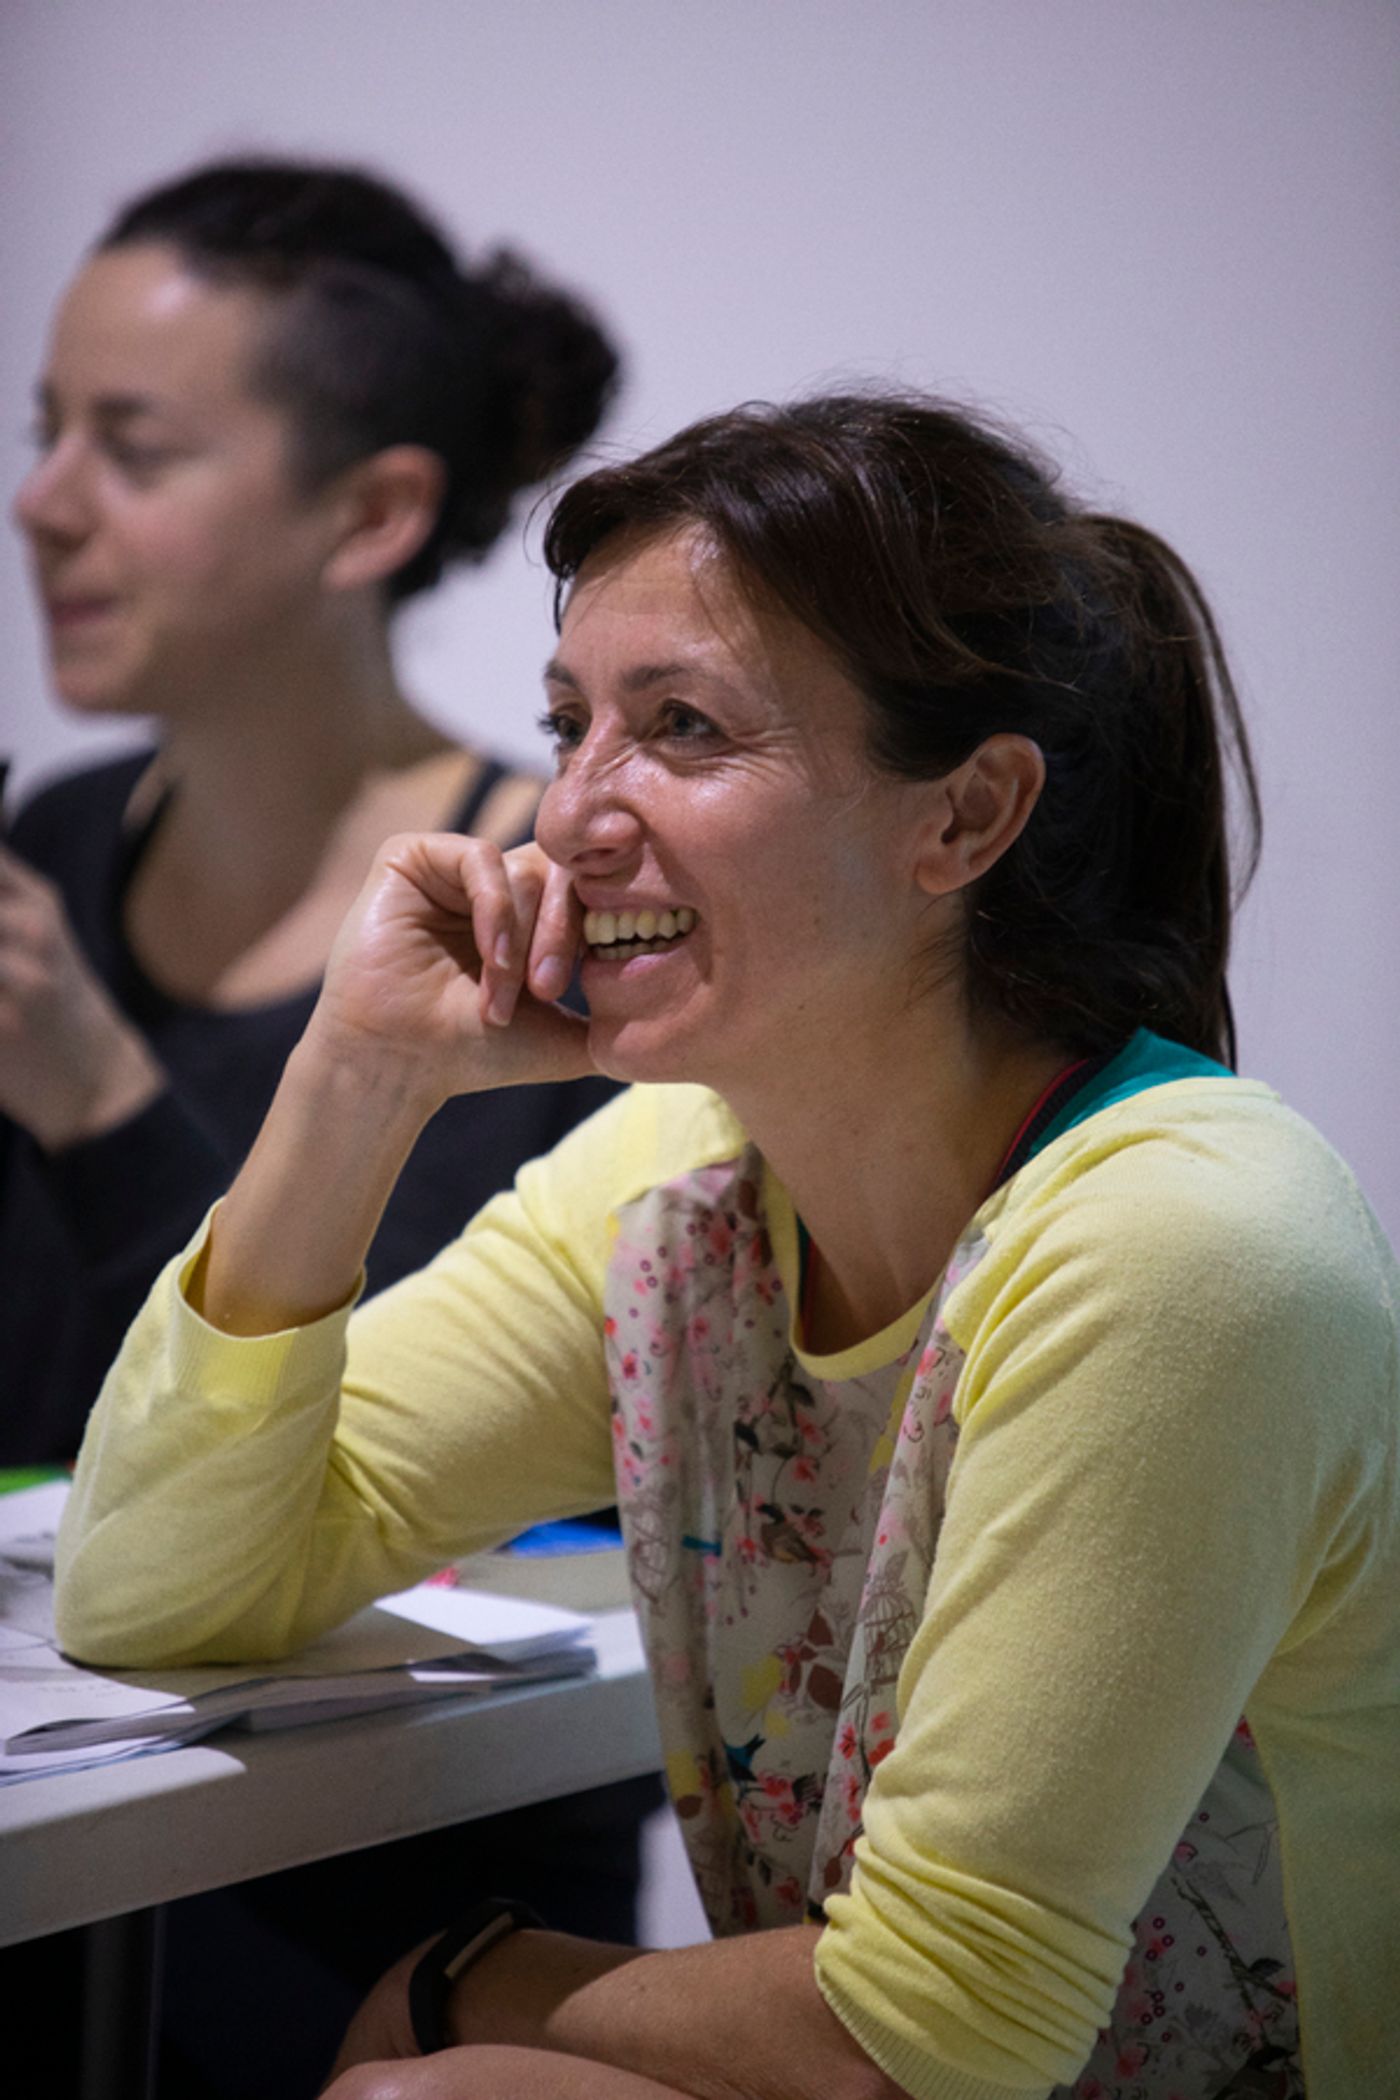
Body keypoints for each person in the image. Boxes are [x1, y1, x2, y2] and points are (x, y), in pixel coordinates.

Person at [56, 393, 1399, 2099]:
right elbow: (158, 1598)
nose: (573, 817)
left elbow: (938, 2034)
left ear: (966, 821)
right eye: (568, 727)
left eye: (682, 728)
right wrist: (359, 1079)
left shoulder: (1184, 1241)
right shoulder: (677, 1185)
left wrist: (467, 1983)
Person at [3, 154, 660, 2098]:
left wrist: (105, 1105)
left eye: (130, 446)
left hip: (375, 1895)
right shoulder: (51, 850)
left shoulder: (532, 936)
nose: (43, 504)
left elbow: (366, 1483)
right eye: (44, 430)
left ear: (369, 510)